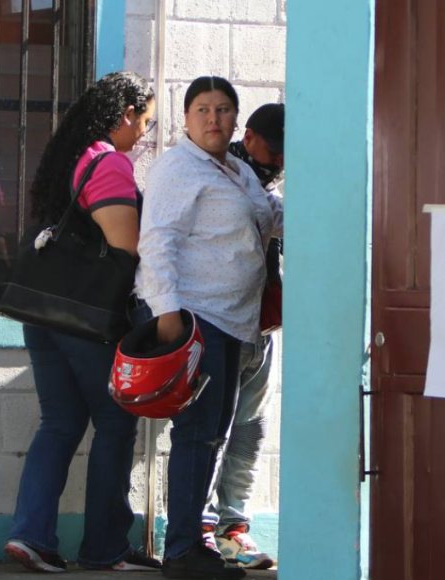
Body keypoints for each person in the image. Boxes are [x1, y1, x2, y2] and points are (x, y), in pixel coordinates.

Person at [3, 71, 162, 573]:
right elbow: (125, 244)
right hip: (84, 315)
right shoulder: (109, 163)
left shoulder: (70, 157)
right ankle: (104, 548)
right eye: (145, 124)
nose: (144, 137)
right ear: (125, 115)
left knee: (62, 421)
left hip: (43, 311)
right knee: (115, 419)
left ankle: (31, 536)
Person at [135, 76, 284, 580]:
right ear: (186, 118)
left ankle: (191, 547)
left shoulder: (238, 172)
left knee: (212, 437)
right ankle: (181, 552)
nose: (214, 119)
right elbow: (157, 241)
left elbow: (274, 216)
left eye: (223, 110)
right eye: (203, 109)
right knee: (197, 436)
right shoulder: (177, 168)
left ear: (236, 120)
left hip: (233, 322)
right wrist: (168, 314)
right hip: (197, 321)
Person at [203, 103, 285, 570]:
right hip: (220, 323)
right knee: (211, 430)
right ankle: (198, 528)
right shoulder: (222, 175)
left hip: (261, 326)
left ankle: (233, 528)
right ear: (248, 136)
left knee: (251, 429)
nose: (276, 164)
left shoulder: (266, 186)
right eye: (272, 152)